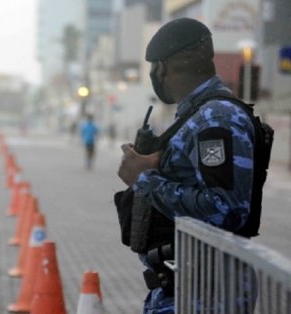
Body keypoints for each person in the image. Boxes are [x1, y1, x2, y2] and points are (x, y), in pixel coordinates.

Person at [115, 18, 272, 313]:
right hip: (187, 284)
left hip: (207, 291)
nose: (153, 74)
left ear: (163, 67)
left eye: (154, 66)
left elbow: (226, 209)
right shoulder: (196, 115)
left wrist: (144, 179)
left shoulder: (216, 118)